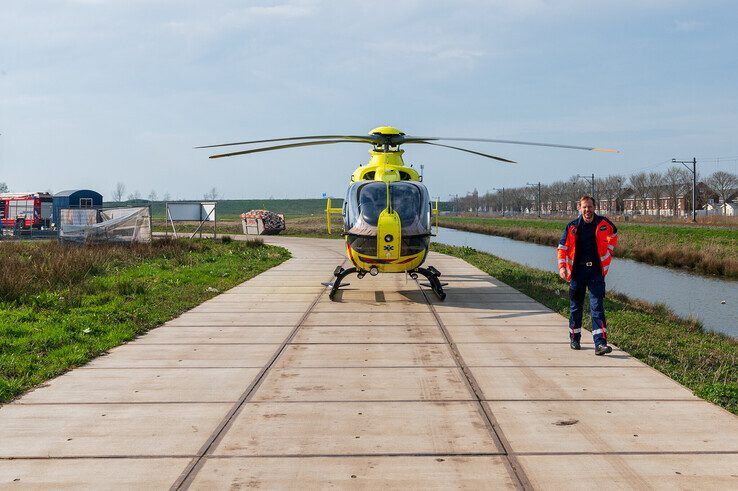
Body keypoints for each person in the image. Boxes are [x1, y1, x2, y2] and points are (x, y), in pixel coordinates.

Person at [557, 195, 619, 355]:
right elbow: (562, 247)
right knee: (576, 307)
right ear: (580, 208)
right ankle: (574, 338)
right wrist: (562, 267)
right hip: (577, 273)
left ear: (594, 207)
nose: (587, 210)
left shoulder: (603, 223)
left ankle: (600, 344)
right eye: (584, 207)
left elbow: (615, 234)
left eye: (590, 207)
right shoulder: (572, 227)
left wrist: (609, 252)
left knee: (597, 307)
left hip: (596, 273)